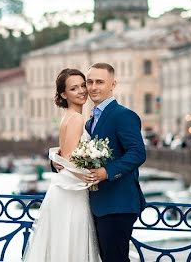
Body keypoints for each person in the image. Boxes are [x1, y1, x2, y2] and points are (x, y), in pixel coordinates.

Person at [22, 68, 100, 262]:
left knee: (60, 244)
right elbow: (71, 160)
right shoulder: (76, 118)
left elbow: (64, 154)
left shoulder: (67, 116)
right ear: (64, 94)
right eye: (74, 88)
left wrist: (56, 158)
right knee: (73, 243)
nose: (82, 91)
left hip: (63, 189)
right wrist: (92, 175)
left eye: (83, 85)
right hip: (71, 191)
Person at [83, 62, 147, 262]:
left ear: (113, 84)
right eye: (90, 82)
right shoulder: (90, 121)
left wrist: (107, 172)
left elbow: (138, 153)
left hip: (118, 204)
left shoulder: (123, 116)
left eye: (100, 82)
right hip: (98, 204)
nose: (93, 87)